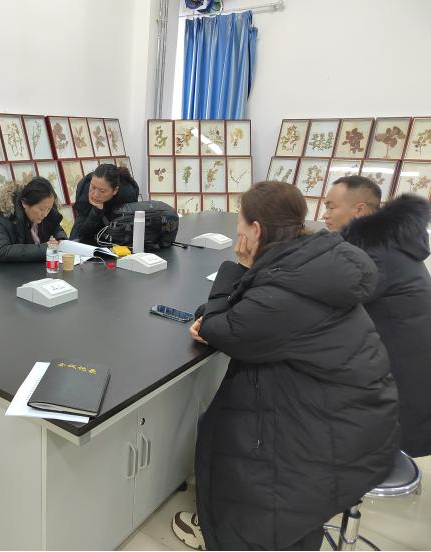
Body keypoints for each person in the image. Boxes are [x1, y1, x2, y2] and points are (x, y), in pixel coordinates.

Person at [172, 181, 399, 551]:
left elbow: (224, 329)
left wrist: (237, 267)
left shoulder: (283, 290)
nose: (238, 231)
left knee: (227, 434)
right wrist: (220, 311)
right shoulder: (308, 259)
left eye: (240, 223)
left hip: (331, 435)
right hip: (358, 417)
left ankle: (232, 532)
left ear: (256, 229)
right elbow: (246, 312)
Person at [326, 176, 431, 458]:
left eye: (331, 207)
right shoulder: (390, 242)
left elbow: (330, 300)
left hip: (402, 378)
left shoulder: (375, 254)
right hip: (407, 366)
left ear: (359, 210)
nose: (325, 215)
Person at [0, 176, 67, 262]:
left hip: (31, 268)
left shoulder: (46, 214)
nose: (45, 214)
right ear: (24, 203)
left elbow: (56, 228)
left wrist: (61, 241)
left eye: (49, 209)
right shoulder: (1, 218)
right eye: (41, 209)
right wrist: (44, 249)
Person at [70, 163, 139, 243]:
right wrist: (96, 211)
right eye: (93, 187)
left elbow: (124, 233)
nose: (95, 195)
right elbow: (80, 234)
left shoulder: (127, 195)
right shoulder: (85, 187)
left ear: (115, 190)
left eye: (102, 191)